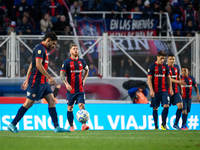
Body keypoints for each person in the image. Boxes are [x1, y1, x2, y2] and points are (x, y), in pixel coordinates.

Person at [7, 32, 69, 133]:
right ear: (48, 40)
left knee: (52, 101)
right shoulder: (40, 48)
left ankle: (57, 127)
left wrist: (27, 79)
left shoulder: (43, 49)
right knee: (28, 103)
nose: (53, 46)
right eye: (53, 44)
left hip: (43, 82)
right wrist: (49, 77)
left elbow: (32, 65)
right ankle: (12, 124)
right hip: (36, 81)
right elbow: (38, 65)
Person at [60, 43, 89, 131]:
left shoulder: (82, 61)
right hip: (71, 90)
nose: (76, 50)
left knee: (81, 105)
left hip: (80, 89)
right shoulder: (67, 62)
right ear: (70, 51)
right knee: (70, 108)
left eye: (76, 48)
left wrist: (84, 80)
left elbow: (87, 70)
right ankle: (71, 126)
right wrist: (66, 83)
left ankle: (84, 125)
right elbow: (62, 73)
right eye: (73, 49)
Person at [147, 50, 173, 130]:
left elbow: (168, 78)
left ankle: (163, 124)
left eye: (164, 59)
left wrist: (171, 88)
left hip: (164, 90)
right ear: (157, 57)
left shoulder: (165, 66)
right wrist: (151, 90)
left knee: (166, 106)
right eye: (161, 58)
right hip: (155, 91)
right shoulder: (152, 66)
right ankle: (156, 126)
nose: (162, 60)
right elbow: (149, 79)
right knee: (155, 107)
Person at [167, 53, 186, 130]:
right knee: (166, 107)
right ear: (167, 59)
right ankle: (164, 124)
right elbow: (169, 79)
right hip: (167, 91)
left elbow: (178, 78)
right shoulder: (165, 68)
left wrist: (181, 89)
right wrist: (179, 82)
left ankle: (175, 124)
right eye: (170, 59)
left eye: (173, 59)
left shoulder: (176, 67)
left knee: (181, 106)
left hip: (175, 90)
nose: (172, 61)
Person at [180, 66, 200, 130]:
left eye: (185, 70)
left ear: (188, 71)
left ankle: (184, 124)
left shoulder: (191, 78)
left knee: (187, 111)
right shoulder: (180, 78)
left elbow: (196, 87)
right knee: (184, 111)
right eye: (182, 70)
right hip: (182, 98)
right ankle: (183, 125)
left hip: (189, 98)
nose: (183, 72)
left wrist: (198, 95)